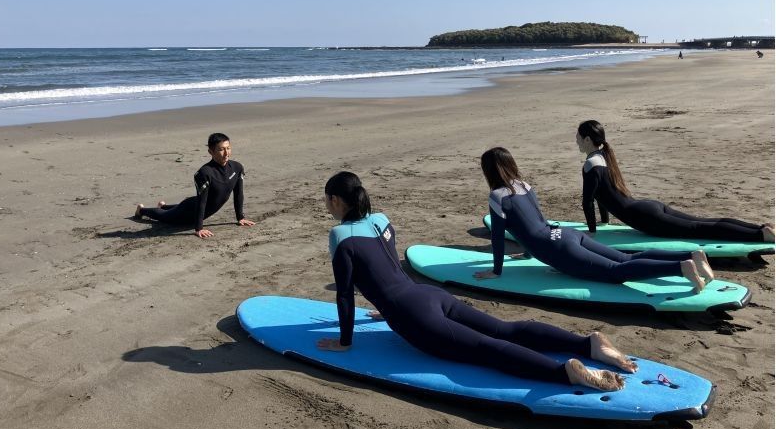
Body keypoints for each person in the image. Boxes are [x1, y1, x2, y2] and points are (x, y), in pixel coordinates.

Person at [316, 171, 634, 392]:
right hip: (428, 295)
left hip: (411, 314)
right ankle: (587, 344)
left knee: (488, 349)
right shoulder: (381, 219)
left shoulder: (339, 235)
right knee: (505, 330)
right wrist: (387, 307)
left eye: (327, 202)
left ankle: (564, 372)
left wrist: (344, 341)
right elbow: (386, 266)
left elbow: (345, 294)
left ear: (336, 201)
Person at [476, 148, 711, 293]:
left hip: (555, 247)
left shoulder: (497, 196)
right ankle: (691, 257)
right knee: (627, 258)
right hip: (564, 233)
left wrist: (496, 271)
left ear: (489, 172)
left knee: (615, 272)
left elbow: (499, 236)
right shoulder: (524, 186)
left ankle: (680, 268)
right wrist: (527, 254)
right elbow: (534, 220)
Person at [576, 120, 774, 243]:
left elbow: (588, 201)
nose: (576, 140)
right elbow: (602, 195)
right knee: (702, 222)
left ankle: (759, 235)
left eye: (578, 137)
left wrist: (592, 232)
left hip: (645, 218)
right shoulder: (603, 157)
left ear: (587, 140)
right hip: (647, 206)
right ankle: (760, 227)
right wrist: (604, 222)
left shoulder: (590, 164)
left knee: (699, 229)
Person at [134, 133, 256, 238]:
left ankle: (164, 205)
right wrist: (199, 228)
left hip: (195, 203)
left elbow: (239, 194)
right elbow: (201, 202)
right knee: (164, 217)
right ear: (211, 152)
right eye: (221, 149)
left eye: (228, 148)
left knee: (171, 209)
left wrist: (240, 218)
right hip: (189, 210)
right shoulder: (204, 173)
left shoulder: (237, 167)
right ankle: (142, 210)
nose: (226, 153)